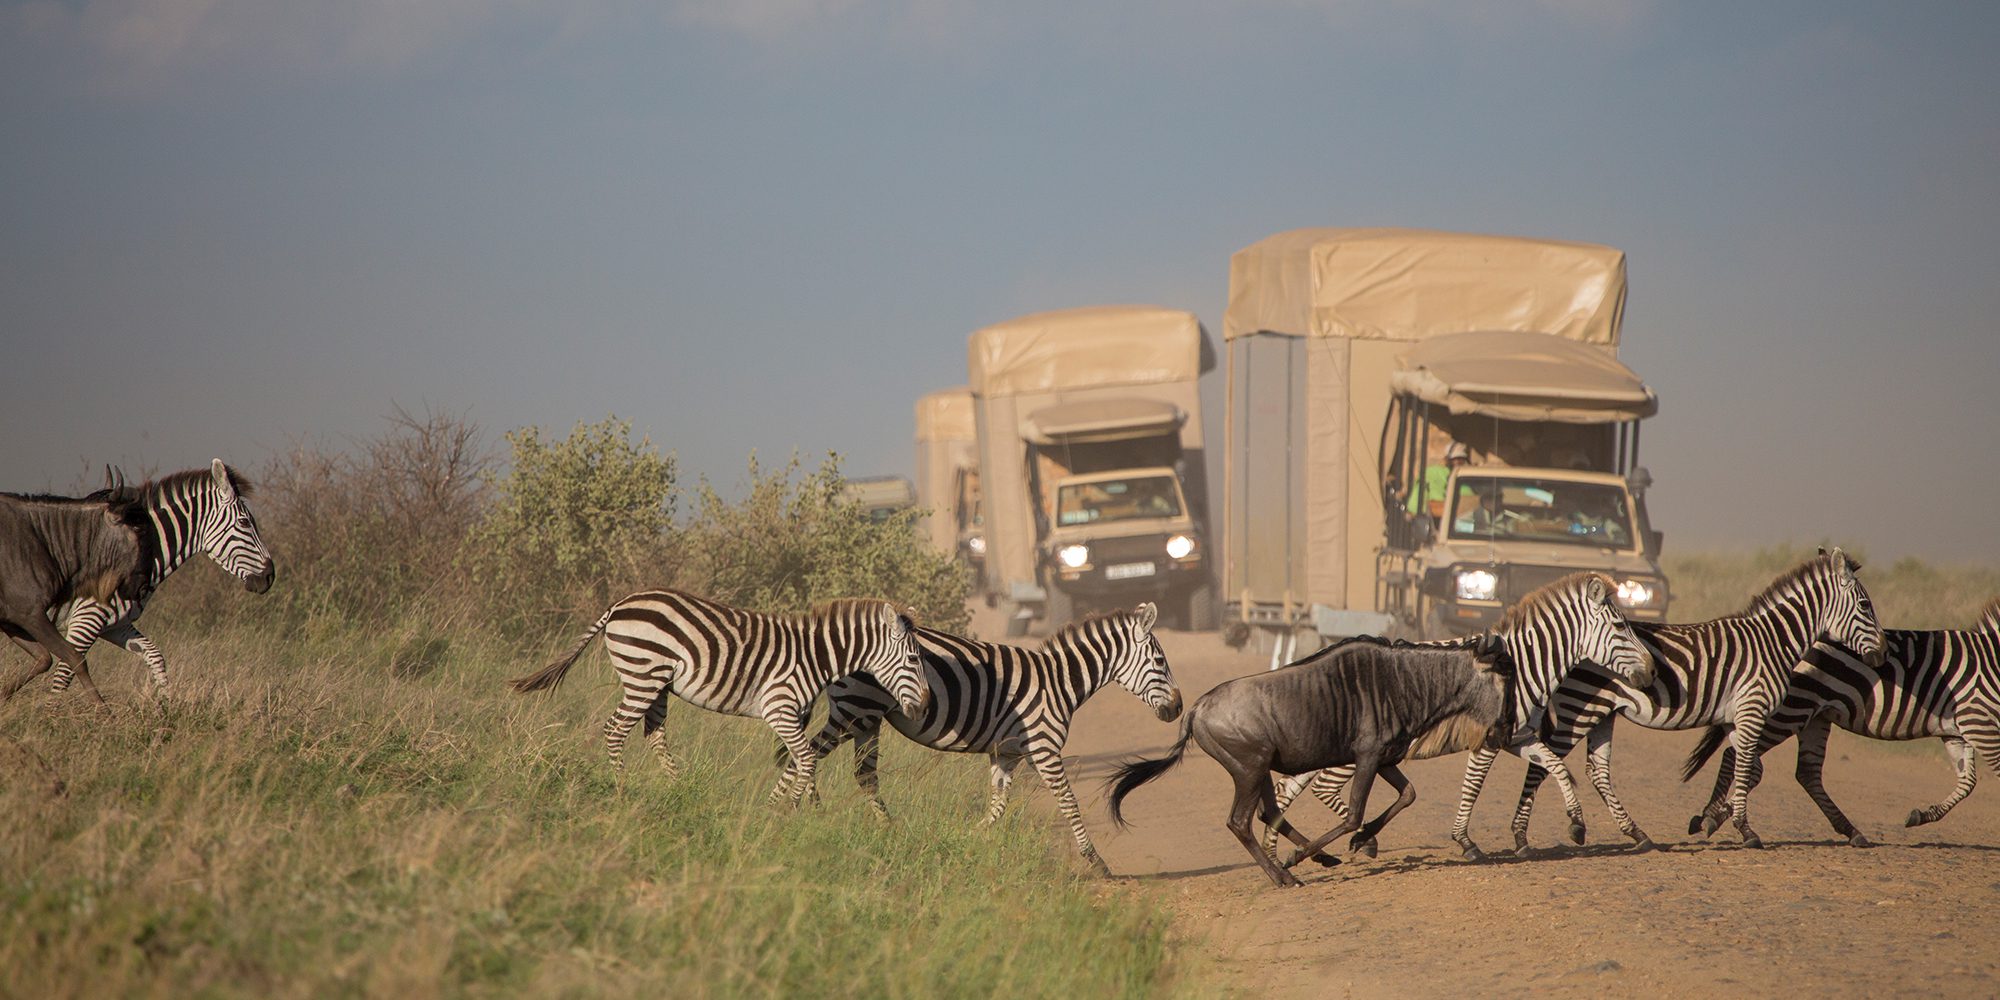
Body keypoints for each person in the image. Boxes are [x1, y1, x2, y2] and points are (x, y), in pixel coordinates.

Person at [1407, 442, 1471, 515]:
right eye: (1456, 458)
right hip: (1427, 517)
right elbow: (1419, 501)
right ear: (1447, 459)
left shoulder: (1463, 478)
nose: (1458, 462)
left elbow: (1469, 499)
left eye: (1461, 459)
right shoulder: (1431, 473)